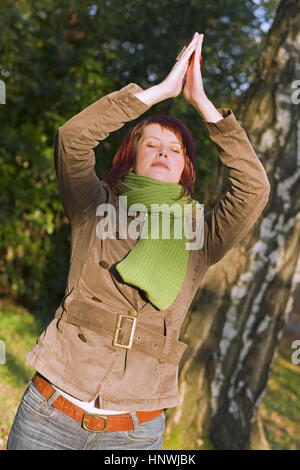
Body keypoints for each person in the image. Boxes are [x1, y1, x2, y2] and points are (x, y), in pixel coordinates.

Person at [6, 32, 270, 450]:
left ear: (186, 168)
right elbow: (72, 140)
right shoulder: (93, 205)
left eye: (176, 149)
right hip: (50, 413)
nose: (165, 151)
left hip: (135, 431)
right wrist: (159, 93)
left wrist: (204, 106)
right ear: (133, 154)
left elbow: (253, 189)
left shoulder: (201, 233)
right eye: (152, 143)